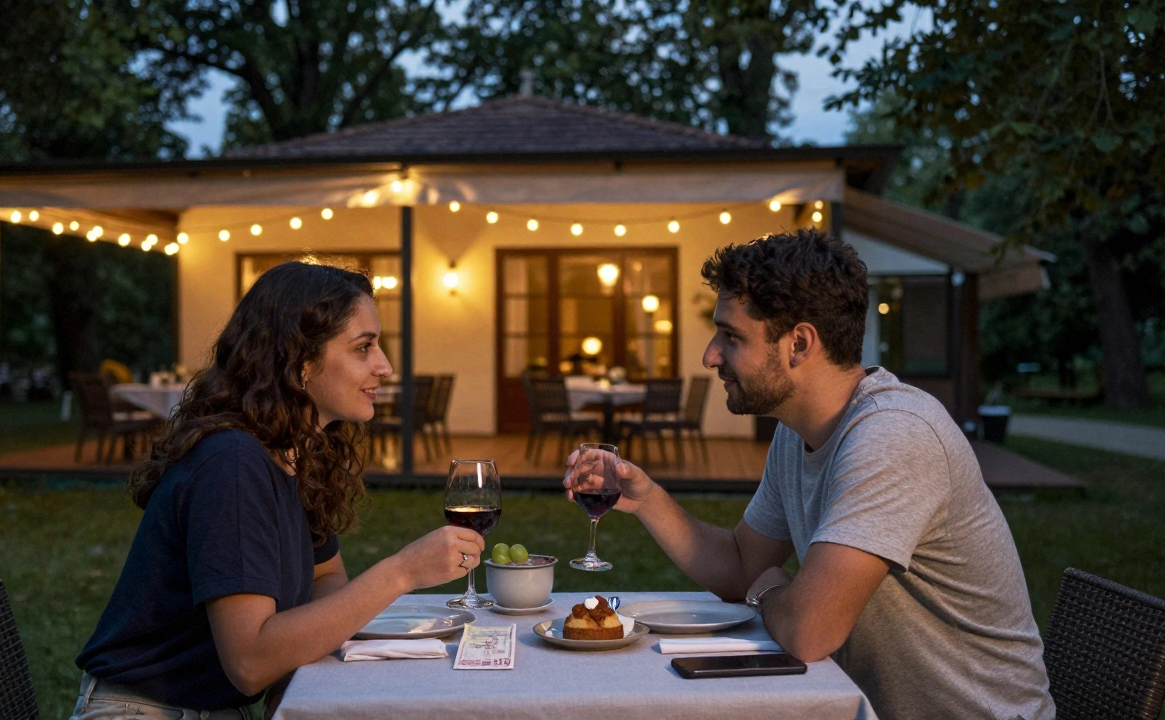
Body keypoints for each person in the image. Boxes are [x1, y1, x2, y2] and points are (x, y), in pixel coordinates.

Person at [565, 229, 1054, 720]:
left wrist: (770, 589)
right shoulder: (797, 434)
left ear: (798, 343)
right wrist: (647, 498)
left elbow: (807, 631)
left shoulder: (894, 436)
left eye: (731, 336)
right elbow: (740, 566)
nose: (710, 356)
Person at [71, 261, 484, 720]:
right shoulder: (231, 463)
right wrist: (402, 573)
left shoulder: (294, 452)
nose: (384, 367)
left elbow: (324, 579)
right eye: (363, 348)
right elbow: (249, 662)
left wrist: (302, 648)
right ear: (300, 362)